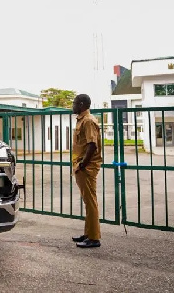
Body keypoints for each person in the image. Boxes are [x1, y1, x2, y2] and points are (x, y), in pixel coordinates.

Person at [71, 94, 102, 248]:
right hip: (82, 167)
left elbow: (92, 145)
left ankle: (94, 238)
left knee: (90, 202)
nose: (72, 106)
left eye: (75, 103)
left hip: (86, 168)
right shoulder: (82, 120)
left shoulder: (88, 121)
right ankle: (89, 233)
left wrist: (82, 165)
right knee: (88, 202)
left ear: (82, 104)